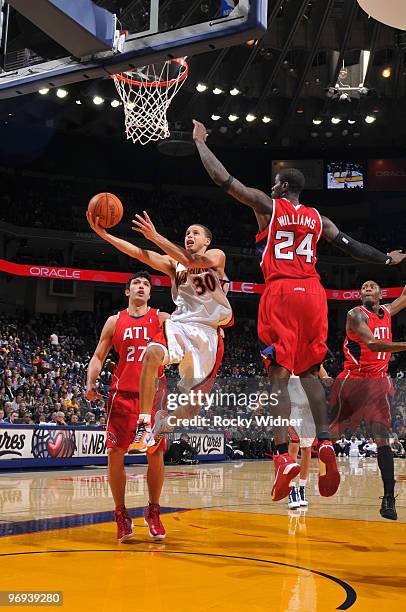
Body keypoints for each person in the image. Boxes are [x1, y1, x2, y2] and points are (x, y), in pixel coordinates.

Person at [192, 118, 406, 503]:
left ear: (281, 187)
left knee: (277, 373)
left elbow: (224, 180)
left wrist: (200, 143)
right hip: (314, 294)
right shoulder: (318, 219)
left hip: (281, 291)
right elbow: (353, 246)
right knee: (308, 371)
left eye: (276, 184)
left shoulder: (266, 206)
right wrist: (387, 261)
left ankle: (280, 458)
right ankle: (324, 443)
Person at [87, 210, 232, 454]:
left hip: (208, 335)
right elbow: (138, 253)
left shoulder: (216, 256)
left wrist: (155, 236)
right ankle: (144, 424)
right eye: (187, 233)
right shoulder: (173, 265)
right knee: (152, 352)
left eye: (195, 233)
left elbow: (194, 263)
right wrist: (105, 235)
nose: (189, 236)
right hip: (181, 325)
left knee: (190, 410)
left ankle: (164, 423)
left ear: (206, 241)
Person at [86, 272, 169, 541]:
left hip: (155, 396)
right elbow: (99, 355)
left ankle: (153, 511)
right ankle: (121, 514)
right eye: (137, 283)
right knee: (115, 452)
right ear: (127, 292)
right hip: (122, 395)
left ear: (150, 293)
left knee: (155, 454)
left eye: (146, 284)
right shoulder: (115, 321)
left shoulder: (161, 318)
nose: (142, 287)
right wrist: (91, 382)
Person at [331, 281, 406, 520]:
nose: (368, 287)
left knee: (382, 438)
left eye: (373, 286)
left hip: (377, 382)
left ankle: (388, 499)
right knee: (335, 431)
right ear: (360, 295)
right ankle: (313, 470)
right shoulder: (354, 315)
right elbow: (373, 345)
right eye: (364, 287)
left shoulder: (386, 311)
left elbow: (403, 297)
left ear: (381, 294)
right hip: (354, 379)